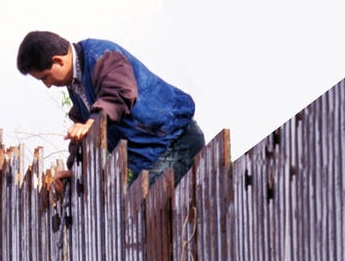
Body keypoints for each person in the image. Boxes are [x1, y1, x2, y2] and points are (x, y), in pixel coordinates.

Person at [17, 30, 205, 192]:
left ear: (58, 60)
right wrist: (74, 171)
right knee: (128, 209)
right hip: (152, 156)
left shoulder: (101, 56)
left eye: (45, 77)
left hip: (176, 142)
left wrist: (92, 122)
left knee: (139, 208)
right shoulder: (76, 85)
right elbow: (81, 128)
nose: (48, 85)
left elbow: (121, 92)